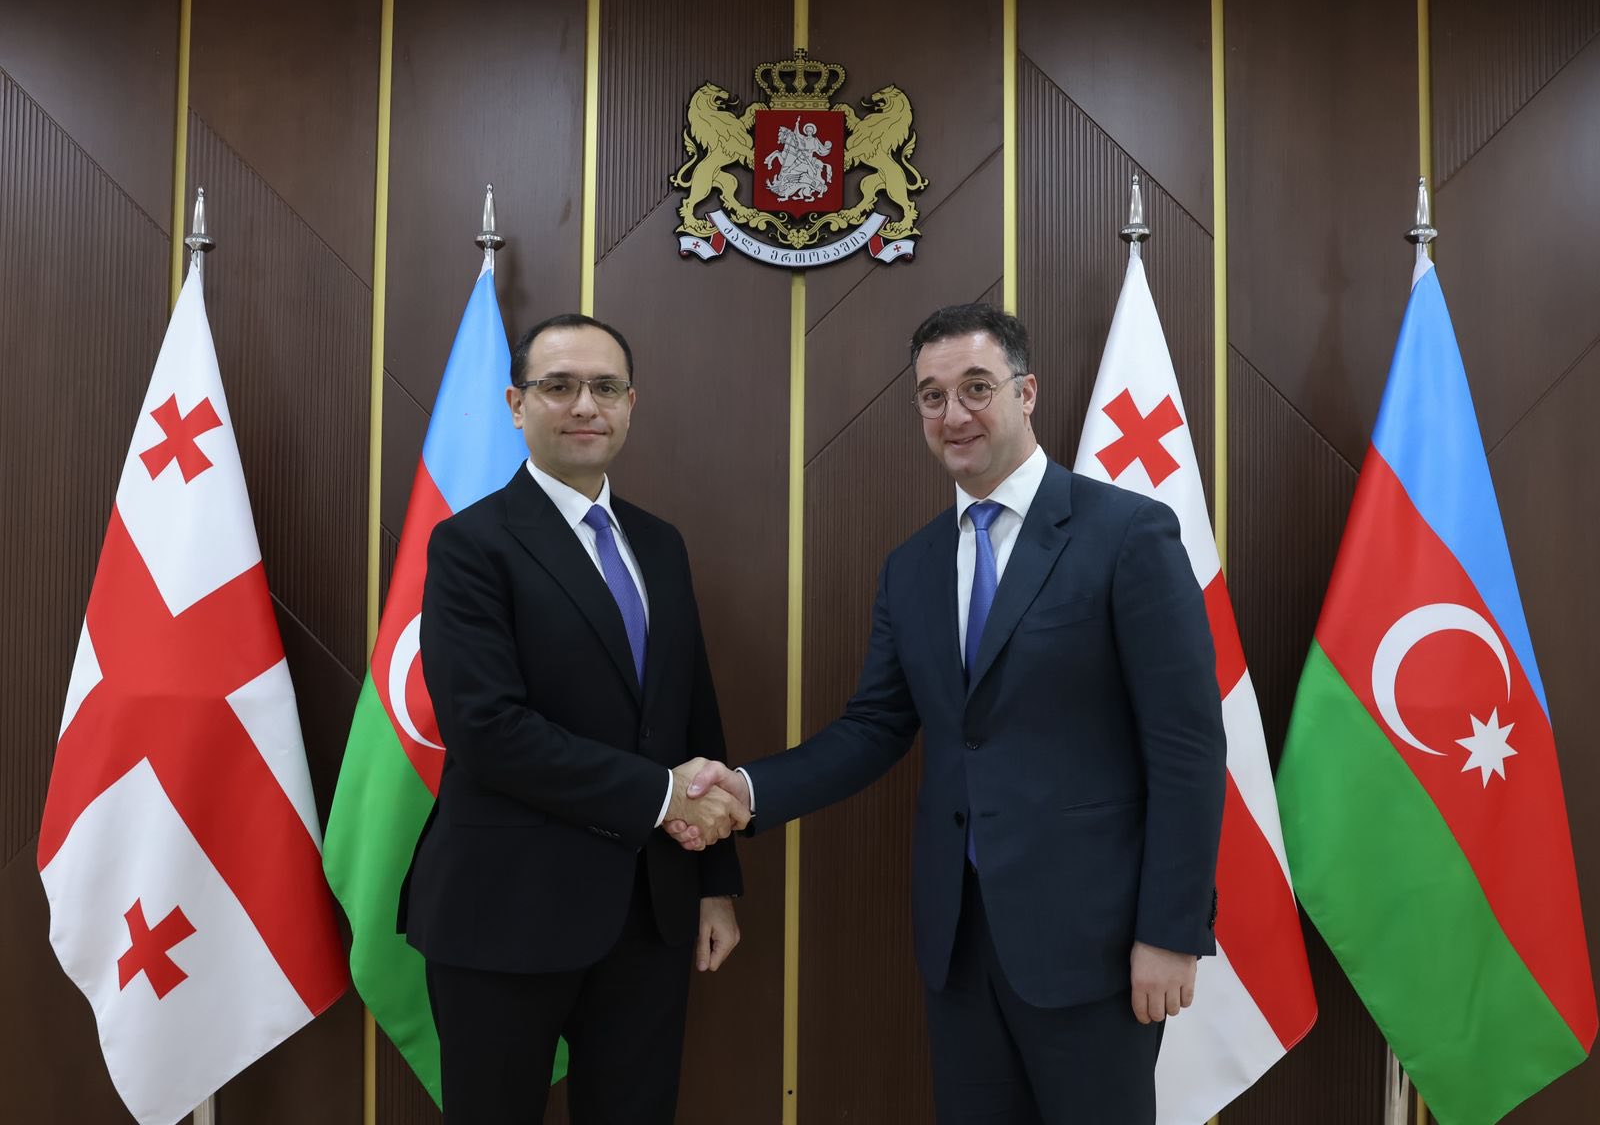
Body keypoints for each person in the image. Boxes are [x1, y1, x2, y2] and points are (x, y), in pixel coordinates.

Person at [677, 303, 1227, 1123]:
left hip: (1098, 947)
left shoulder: (1126, 534)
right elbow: (874, 727)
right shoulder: (913, 566)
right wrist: (747, 791)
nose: (954, 414)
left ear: (1026, 392)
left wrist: (1171, 931)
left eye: (976, 387)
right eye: (932, 396)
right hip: (960, 944)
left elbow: (1187, 748)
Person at [399, 313, 749, 1124]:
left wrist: (714, 886)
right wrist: (663, 796)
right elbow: (488, 732)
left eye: (604, 387)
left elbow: (692, 714)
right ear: (517, 404)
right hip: (505, 911)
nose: (584, 405)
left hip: (651, 910)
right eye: (559, 386)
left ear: (631, 404)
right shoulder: (470, 545)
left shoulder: (661, 544)